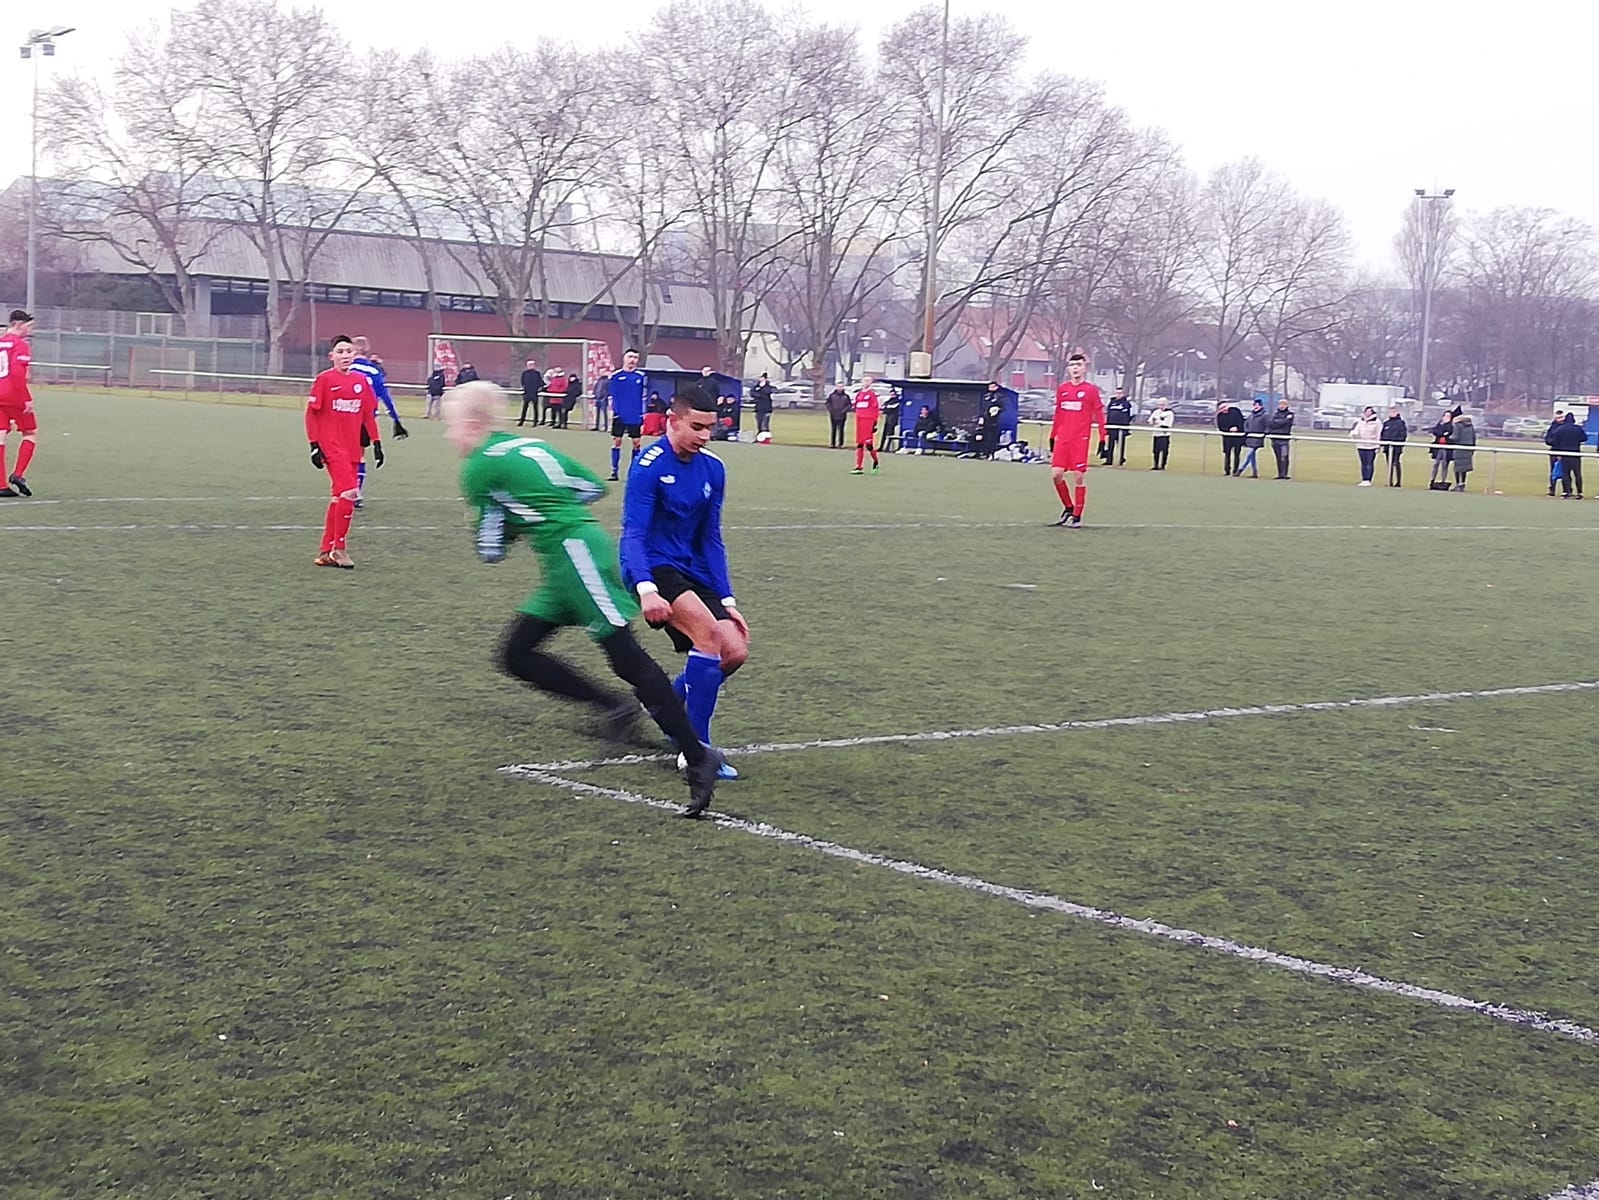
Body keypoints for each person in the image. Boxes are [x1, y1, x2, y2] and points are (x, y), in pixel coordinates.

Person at [445, 381, 724, 817]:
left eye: (451, 427)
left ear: (471, 423)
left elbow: (490, 550)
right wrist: (543, 510)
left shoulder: (478, 466)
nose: (450, 436)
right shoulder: (528, 444)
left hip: (574, 555)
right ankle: (615, 706)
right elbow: (591, 487)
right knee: (516, 654)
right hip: (569, 557)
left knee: (628, 660)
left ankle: (697, 754)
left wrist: (515, 518)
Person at [621, 390, 750, 782]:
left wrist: (727, 598)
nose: (705, 436)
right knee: (708, 636)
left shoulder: (714, 468)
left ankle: (665, 705)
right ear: (672, 421)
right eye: (697, 427)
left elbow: (711, 537)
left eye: (711, 428)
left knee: (734, 651)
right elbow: (633, 533)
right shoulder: (648, 466)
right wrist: (645, 588)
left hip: (693, 570)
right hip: (654, 568)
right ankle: (696, 751)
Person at [304, 334, 381, 569]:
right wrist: (314, 445)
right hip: (332, 446)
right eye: (340, 352)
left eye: (348, 351)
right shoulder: (324, 380)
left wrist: (377, 442)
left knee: (339, 497)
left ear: (354, 354)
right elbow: (311, 413)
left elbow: (368, 415)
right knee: (350, 492)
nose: (345, 355)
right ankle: (339, 549)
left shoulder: (361, 382)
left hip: (353, 448)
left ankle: (325, 551)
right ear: (332, 356)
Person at [1048, 352, 1105, 527]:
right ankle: (1068, 507)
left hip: (1080, 439)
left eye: (1078, 365)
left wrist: (1103, 437)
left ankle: (1077, 516)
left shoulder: (1090, 390)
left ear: (1084, 368)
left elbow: (1099, 413)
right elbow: (1058, 413)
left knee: (1078, 476)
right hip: (1063, 439)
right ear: (1068, 369)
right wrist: (1052, 435)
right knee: (1056, 475)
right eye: (1072, 365)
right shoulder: (1063, 389)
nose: (1075, 368)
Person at [0, 309, 38, 497]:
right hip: (14, 395)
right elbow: (16, 373)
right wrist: (26, 398)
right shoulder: (20, 345)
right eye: (28, 327)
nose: (29, 331)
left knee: (0, 436)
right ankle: (18, 474)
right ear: (18, 324)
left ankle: (1, 486)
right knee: (30, 433)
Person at [607, 348, 648, 480]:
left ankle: (633, 472)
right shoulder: (616, 376)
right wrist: (614, 411)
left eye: (635, 358)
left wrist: (643, 414)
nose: (632, 360)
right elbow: (611, 396)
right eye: (630, 357)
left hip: (635, 415)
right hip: (619, 414)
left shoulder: (641, 376)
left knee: (636, 443)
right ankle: (614, 471)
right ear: (624, 358)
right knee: (617, 441)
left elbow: (644, 396)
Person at [1547, 411, 1587, 499]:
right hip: (1575, 453)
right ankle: (1579, 492)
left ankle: (1566, 492)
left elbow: (1555, 441)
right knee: (1577, 474)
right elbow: (1584, 438)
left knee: (1566, 473)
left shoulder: (1560, 429)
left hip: (1564, 454)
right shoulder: (1578, 429)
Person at [851, 375, 881, 474]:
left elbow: (875, 409)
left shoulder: (872, 395)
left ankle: (876, 461)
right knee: (859, 444)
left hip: (868, 421)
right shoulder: (859, 394)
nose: (866, 382)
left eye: (868, 381)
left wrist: (875, 423)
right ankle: (859, 466)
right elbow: (856, 407)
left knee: (869, 445)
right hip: (859, 420)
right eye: (864, 380)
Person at [1350, 406, 1382, 486]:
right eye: (1366, 411)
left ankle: (1368, 479)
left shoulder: (1377, 422)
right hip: (1361, 445)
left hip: (1371, 446)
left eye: (1370, 411)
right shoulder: (1361, 421)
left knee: (1369, 463)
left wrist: (1378, 445)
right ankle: (1364, 479)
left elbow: (1379, 434)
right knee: (1363, 463)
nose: (1368, 413)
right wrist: (1353, 434)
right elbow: (1356, 430)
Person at [1266, 398, 1295, 479]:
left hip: (1284, 439)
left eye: (1284, 404)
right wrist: (1281, 421)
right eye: (1280, 404)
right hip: (1275, 439)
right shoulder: (1275, 414)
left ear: (1287, 406)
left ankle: (1284, 474)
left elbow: (1286, 423)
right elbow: (1271, 424)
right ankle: (1279, 474)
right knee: (1278, 457)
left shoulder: (1290, 414)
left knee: (1284, 457)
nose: (1282, 406)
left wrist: (1279, 422)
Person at [1237, 399, 1267, 478]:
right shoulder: (1251, 416)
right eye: (1255, 405)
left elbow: (1267, 425)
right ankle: (1254, 472)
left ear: (1261, 406)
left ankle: (1240, 469)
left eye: (1258, 405)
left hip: (1258, 438)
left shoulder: (1264, 415)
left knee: (1249, 454)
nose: (1256, 407)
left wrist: (1264, 433)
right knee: (1252, 456)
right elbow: (1246, 424)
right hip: (1250, 437)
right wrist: (1247, 431)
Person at [1104, 387, 1133, 465]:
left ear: (1123, 394)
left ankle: (1121, 459)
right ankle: (1109, 460)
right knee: (1110, 444)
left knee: (1121, 445)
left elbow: (1130, 415)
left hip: (1121, 428)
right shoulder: (1111, 402)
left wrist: (1125, 425)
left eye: (1120, 393)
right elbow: (1108, 414)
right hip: (1111, 427)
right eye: (1117, 393)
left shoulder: (1126, 404)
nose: (1118, 395)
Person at [1216, 401, 1245, 476]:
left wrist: (1237, 428)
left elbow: (1242, 422)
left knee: (1237, 454)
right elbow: (1221, 427)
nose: (1223, 409)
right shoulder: (1220, 416)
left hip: (1237, 437)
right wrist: (1229, 429)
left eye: (1224, 407)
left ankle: (1235, 470)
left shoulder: (1235, 411)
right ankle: (1227, 470)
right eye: (1221, 408)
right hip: (1227, 438)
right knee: (1227, 454)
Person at [974, 382, 1003, 459]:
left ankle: (990, 454)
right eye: (989, 386)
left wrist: (997, 410)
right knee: (980, 437)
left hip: (993, 422)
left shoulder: (1000, 397)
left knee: (991, 438)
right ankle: (979, 452)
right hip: (984, 421)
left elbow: (1003, 407)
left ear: (996, 387)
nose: (990, 388)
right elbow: (982, 408)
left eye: (992, 386)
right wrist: (981, 417)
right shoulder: (986, 396)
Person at [1449, 409, 1476, 491]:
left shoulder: (1457, 425)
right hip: (1468, 449)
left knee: (1457, 468)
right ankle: (1463, 484)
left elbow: (1455, 437)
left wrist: (1448, 437)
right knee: (1464, 468)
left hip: (1459, 449)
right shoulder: (1471, 426)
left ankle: (1458, 484)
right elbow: (1474, 438)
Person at [1381, 407, 1408, 487]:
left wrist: (1398, 443)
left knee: (1396, 463)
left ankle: (1398, 482)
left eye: (1394, 412)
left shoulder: (1400, 423)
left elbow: (1403, 434)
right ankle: (1390, 481)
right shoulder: (1386, 423)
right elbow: (1383, 434)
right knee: (1389, 464)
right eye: (1391, 412)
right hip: (1387, 447)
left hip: (1396, 447)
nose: (1392, 413)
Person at [1428, 409, 1454, 490]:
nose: (1446, 417)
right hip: (1438, 447)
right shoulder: (1439, 424)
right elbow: (1435, 431)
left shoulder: (1450, 426)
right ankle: (1432, 480)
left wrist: (1442, 433)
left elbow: (1448, 432)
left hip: (1446, 447)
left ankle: (1443, 481)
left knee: (1444, 464)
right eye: (1445, 416)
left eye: (1448, 416)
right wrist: (1442, 433)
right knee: (1436, 464)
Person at [1544, 409, 1568, 496]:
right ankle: (1552, 489)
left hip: (1565, 451)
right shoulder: (1553, 427)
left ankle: (1566, 490)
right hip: (1554, 451)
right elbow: (1547, 439)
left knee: (1565, 471)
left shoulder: (1566, 427)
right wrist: (1554, 442)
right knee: (1553, 471)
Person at [518, 358, 545, 427]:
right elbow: (522, 382)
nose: (530, 366)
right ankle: (521, 421)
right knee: (524, 408)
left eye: (532, 365)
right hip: (527, 393)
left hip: (534, 393)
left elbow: (540, 382)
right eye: (529, 365)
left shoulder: (537, 373)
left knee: (535, 408)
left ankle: (535, 422)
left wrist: (538, 388)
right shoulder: (524, 373)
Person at [1147, 399, 1173, 470]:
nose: (1160, 406)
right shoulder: (1156, 412)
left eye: (1162, 405)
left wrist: (1158, 421)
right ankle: (1155, 465)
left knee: (1164, 451)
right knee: (1155, 451)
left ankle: (1163, 465)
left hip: (1164, 435)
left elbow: (1167, 425)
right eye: (1159, 405)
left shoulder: (1169, 413)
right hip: (1156, 434)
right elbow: (1150, 421)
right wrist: (1155, 421)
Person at [878, 387, 902, 452]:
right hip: (888, 419)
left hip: (893, 420)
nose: (892, 395)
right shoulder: (888, 401)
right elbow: (884, 408)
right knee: (884, 434)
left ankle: (889, 448)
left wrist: (886, 408)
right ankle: (881, 447)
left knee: (891, 434)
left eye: (893, 394)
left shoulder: (898, 402)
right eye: (891, 394)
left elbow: (889, 409)